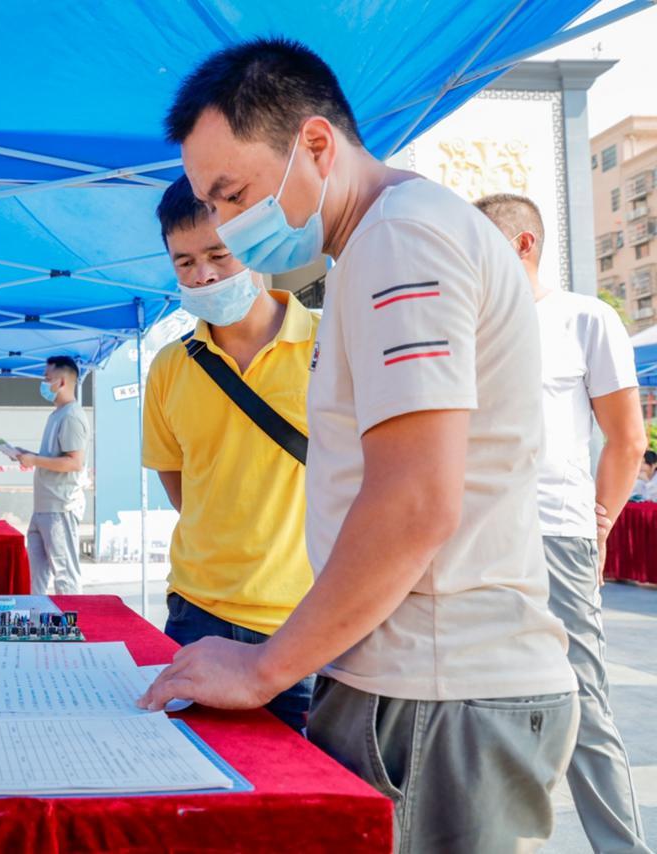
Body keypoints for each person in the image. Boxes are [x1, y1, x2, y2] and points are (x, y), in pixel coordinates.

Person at [141, 39, 579, 851]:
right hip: (425, 686)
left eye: (233, 196)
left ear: (314, 144)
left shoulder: (398, 242)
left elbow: (414, 501)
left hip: (434, 693)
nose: (230, 225)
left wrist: (266, 667)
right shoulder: (392, 239)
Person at [477, 192, 650, 853]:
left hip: (555, 532)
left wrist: (598, 527)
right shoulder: (469, 321)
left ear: (524, 245)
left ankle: (620, 846)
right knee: (486, 702)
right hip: (475, 539)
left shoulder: (585, 320)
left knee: (583, 702)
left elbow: (626, 439)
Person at [143, 176, 318, 732]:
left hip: (309, 624)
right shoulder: (170, 367)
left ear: (254, 245)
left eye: (219, 254)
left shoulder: (332, 342)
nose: (205, 275)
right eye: (185, 262)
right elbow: (180, 485)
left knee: (313, 799)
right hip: (198, 618)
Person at [17, 356, 89, 595]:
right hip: (44, 506)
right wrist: (29, 456)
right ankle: (38, 622)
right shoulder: (57, 414)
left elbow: (74, 462)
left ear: (62, 382)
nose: (43, 383)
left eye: (46, 379)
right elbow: (56, 457)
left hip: (60, 507)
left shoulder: (71, 416)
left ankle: (71, 627)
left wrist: (35, 460)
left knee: (64, 576)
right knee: (37, 575)